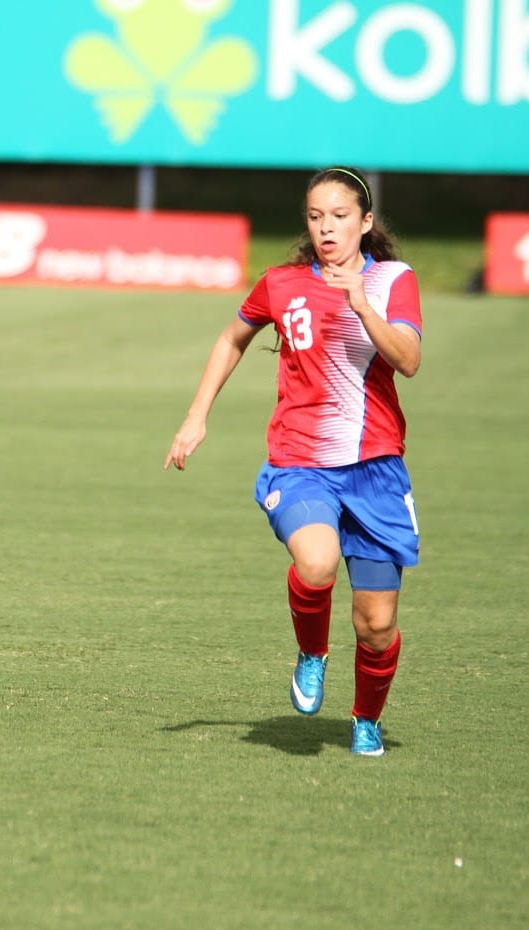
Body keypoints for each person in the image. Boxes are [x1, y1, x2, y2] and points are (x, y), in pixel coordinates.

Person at [164, 166, 423, 757]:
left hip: (376, 469)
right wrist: (196, 414)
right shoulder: (281, 284)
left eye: (339, 216)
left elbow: (408, 359)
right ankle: (312, 651)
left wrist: (362, 306)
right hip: (299, 460)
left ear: (365, 222)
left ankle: (366, 718)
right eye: (315, 216)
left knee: (376, 625)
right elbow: (232, 337)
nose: (326, 228)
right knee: (317, 561)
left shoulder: (391, 282)